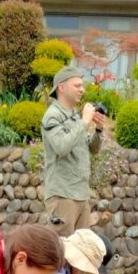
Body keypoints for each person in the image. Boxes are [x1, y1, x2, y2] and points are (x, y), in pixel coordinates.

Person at [41, 64, 102, 238]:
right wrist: (83, 123)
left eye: (82, 86)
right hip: (62, 195)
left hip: (81, 195)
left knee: (82, 254)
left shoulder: (75, 114)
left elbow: (93, 149)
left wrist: (98, 129)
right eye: (77, 86)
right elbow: (61, 147)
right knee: (63, 253)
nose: (82, 90)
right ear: (61, 87)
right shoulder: (53, 116)